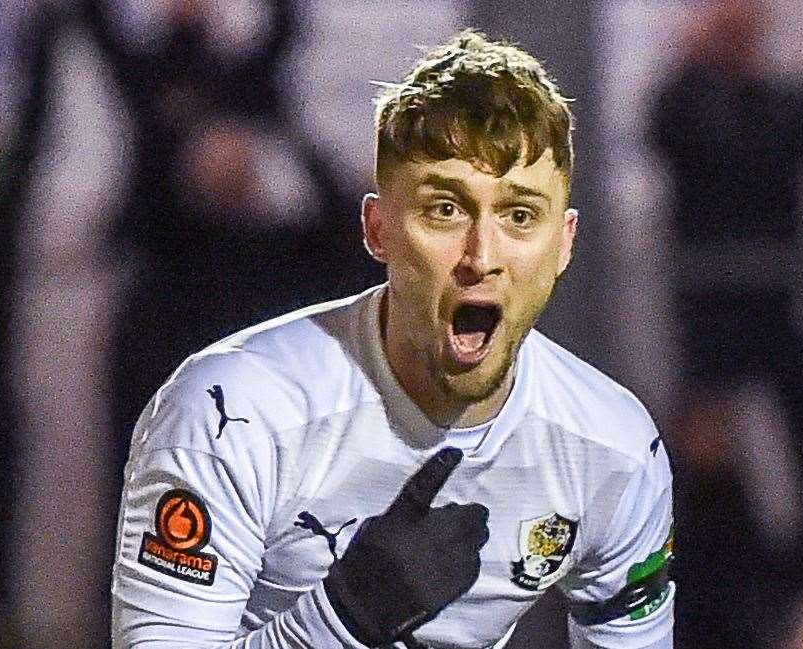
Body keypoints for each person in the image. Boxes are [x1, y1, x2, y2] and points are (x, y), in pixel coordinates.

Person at [111, 30, 674, 648]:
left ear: (564, 243)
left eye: (519, 216)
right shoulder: (228, 412)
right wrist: (344, 619)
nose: (481, 257)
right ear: (378, 230)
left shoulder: (615, 448)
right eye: (445, 210)